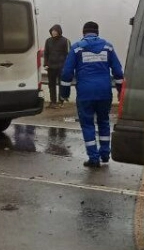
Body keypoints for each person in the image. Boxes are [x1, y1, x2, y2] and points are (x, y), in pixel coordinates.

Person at [60, 21, 124, 168]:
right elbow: (118, 72)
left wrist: (64, 93)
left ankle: (93, 158)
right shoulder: (108, 47)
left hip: (85, 93)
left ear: (84, 33)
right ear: (97, 32)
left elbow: (67, 73)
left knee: (88, 124)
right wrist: (120, 90)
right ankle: (105, 154)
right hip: (104, 92)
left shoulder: (77, 48)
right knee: (103, 121)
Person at [43, 24, 70, 109]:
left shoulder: (65, 41)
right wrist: (45, 64)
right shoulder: (48, 41)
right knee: (51, 85)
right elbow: (46, 53)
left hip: (61, 66)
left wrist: (67, 66)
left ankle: (60, 102)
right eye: (52, 31)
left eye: (55, 31)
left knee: (61, 85)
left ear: (59, 31)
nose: (53, 33)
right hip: (51, 67)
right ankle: (53, 102)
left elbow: (69, 54)